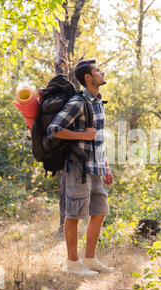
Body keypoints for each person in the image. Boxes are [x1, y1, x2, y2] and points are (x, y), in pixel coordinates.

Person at [47, 59, 114, 275]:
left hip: (96, 168)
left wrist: (106, 166)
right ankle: (73, 264)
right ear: (88, 77)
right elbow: (54, 129)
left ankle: (90, 259)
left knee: (100, 211)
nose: (102, 72)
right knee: (74, 214)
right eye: (98, 70)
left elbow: (98, 139)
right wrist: (82, 135)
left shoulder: (98, 102)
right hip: (78, 168)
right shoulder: (78, 102)